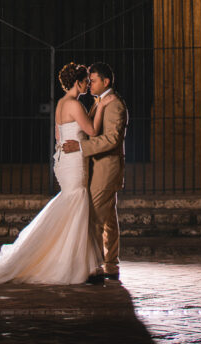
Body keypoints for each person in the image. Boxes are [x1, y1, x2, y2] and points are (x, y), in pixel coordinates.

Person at [0, 62, 102, 285]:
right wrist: (99, 107)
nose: (88, 85)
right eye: (86, 81)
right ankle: (71, 263)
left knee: (71, 201)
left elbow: (59, 138)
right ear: (78, 82)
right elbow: (92, 131)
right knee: (76, 200)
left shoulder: (60, 104)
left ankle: (76, 261)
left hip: (63, 160)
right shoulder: (75, 106)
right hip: (73, 160)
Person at [62, 62, 128, 283]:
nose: (89, 84)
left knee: (97, 218)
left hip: (106, 169)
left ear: (106, 82)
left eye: (94, 80)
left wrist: (81, 147)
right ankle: (110, 265)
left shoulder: (115, 105)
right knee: (108, 217)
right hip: (98, 167)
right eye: (88, 80)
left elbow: (111, 139)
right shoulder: (99, 102)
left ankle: (97, 267)